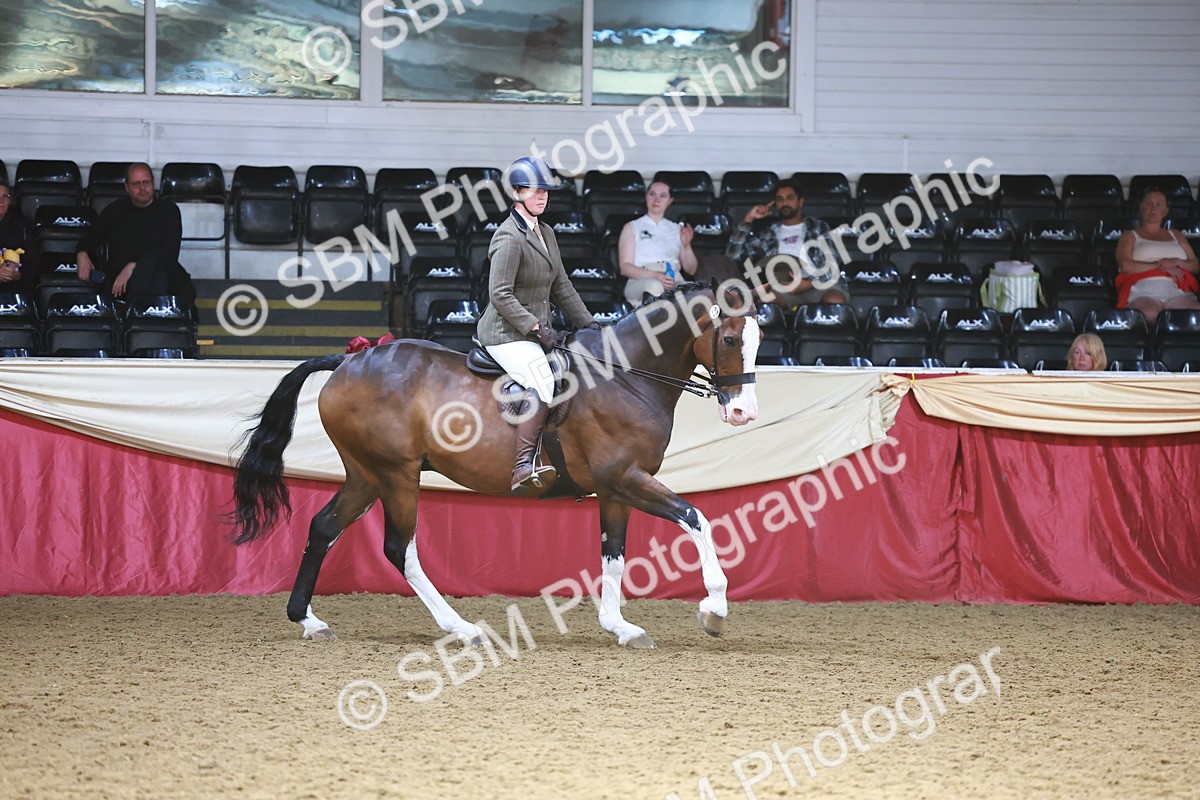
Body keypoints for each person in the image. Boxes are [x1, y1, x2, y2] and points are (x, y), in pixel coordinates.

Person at [476, 156, 600, 496]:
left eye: (545, 190)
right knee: (544, 381)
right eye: (534, 189)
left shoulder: (545, 231)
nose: (542, 196)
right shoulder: (508, 237)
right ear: (517, 192)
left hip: (532, 331)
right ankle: (522, 467)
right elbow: (499, 294)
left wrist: (589, 326)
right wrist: (535, 328)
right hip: (504, 333)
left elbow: (562, 286)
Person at [75, 163, 193, 305]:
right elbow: (90, 238)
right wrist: (82, 253)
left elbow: (169, 253)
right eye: (136, 184)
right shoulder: (116, 210)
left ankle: (139, 313)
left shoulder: (169, 211)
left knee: (157, 271)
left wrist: (134, 265)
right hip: (122, 281)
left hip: (160, 275)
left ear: (153, 182)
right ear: (127, 187)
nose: (142, 188)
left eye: (146, 182)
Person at [725, 178, 849, 308]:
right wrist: (748, 218)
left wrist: (809, 284)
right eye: (779, 199)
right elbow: (733, 255)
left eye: (790, 198)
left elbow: (832, 262)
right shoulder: (768, 233)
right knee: (766, 305)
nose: (784, 202)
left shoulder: (818, 227)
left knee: (835, 300)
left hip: (818, 282)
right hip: (783, 286)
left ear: (800, 202)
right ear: (775, 204)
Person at [1114, 187, 1200, 326]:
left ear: (1165, 211)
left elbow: (1195, 265)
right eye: (1149, 203)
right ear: (1141, 208)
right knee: (1149, 313)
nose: (1153, 208)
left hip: (1177, 290)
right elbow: (1125, 265)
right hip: (1144, 289)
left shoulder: (1176, 234)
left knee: (1196, 312)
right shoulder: (1130, 235)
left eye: (1158, 204)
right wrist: (1159, 265)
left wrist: (1176, 262)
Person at [617, 178, 697, 304]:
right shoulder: (633, 226)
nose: (656, 200)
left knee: (698, 292)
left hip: (673, 277)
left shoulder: (677, 229)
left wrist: (686, 245)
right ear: (646, 196)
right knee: (655, 286)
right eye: (652, 194)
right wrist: (655, 275)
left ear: (670, 201)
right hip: (642, 279)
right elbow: (625, 268)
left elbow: (691, 269)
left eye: (663, 196)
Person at [0, 180, 38, 294]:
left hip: (15, 285)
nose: (1, 201)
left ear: (10, 201)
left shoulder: (20, 224)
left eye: (5, 197)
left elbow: (33, 261)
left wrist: (19, 275)